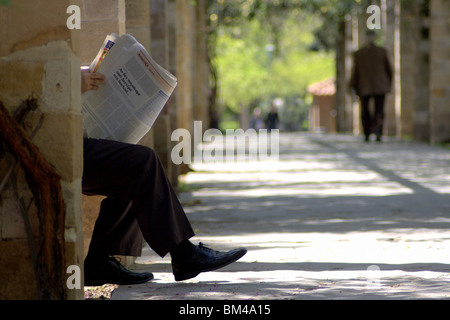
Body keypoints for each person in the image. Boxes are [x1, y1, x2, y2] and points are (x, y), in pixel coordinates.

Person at [81, 70, 247, 286]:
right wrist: (72, 78)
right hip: (62, 146)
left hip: (79, 137)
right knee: (142, 162)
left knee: (133, 167)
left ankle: (98, 262)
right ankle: (184, 254)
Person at [350, 30, 392, 142]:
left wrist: (388, 83)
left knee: (378, 110)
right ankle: (368, 132)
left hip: (377, 85)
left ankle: (377, 131)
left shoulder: (381, 52)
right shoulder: (360, 54)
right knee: (365, 110)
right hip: (365, 85)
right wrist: (352, 86)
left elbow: (389, 70)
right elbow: (355, 72)